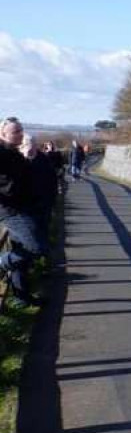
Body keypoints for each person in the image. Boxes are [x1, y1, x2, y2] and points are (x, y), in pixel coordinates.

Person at [0, 117, 42, 307]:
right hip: (11, 210)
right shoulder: (1, 152)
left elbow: (28, 179)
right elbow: (10, 185)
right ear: (3, 134)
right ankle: (2, 262)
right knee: (35, 247)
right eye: (15, 131)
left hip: (23, 207)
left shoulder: (15, 153)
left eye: (21, 130)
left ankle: (22, 297)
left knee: (21, 253)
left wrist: (29, 159)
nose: (21, 134)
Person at [20, 135, 58, 257]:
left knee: (42, 237)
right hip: (24, 209)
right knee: (27, 242)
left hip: (43, 206)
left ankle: (42, 261)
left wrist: (51, 202)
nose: (29, 147)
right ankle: (14, 266)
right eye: (26, 144)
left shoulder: (44, 160)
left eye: (31, 144)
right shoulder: (16, 161)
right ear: (21, 147)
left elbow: (52, 182)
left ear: (36, 145)